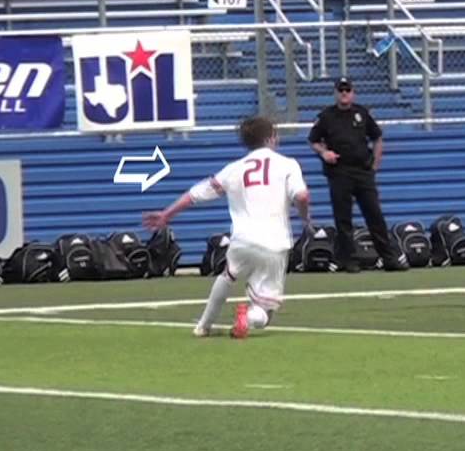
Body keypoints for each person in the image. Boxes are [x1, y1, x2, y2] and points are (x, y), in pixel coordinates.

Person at [142, 116, 312, 339]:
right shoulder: (288, 164)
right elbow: (302, 195)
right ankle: (248, 317)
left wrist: (167, 214)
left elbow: (196, 194)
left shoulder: (234, 169)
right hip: (274, 243)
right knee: (264, 313)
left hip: (242, 241)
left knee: (227, 275)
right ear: (272, 137)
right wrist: (305, 218)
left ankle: (203, 325)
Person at [308, 78, 406, 272]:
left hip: (362, 171)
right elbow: (313, 140)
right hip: (339, 172)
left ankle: (389, 258)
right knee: (343, 219)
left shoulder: (362, 113)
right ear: (335, 93)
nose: (344, 93)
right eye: (341, 90)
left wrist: (375, 165)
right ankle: (349, 260)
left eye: (348, 89)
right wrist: (324, 153)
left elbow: (377, 137)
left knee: (375, 215)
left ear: (353, 92)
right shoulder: (326, 116)